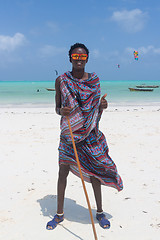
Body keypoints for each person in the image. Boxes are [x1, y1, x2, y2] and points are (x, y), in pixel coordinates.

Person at [46, 43, 123, 230]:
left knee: (95, 171)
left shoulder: (94, 80)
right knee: (62, 172)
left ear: (87, 59)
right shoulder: (61, 80)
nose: (79, 59)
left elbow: (97, 105)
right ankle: (59, 214)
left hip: (90, 135)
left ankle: (99, 212)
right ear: (70, 58)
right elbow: (57, 107)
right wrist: (61, 111)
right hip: (69, 133)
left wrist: (103, 105)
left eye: (82, 57)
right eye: (75, 56)